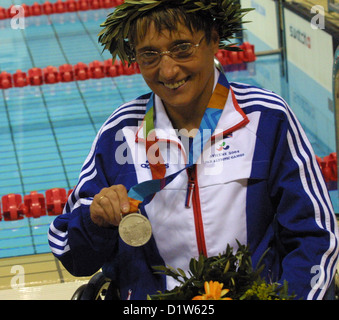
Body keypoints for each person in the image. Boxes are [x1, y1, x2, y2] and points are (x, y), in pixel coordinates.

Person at [48, 0, 339, 300]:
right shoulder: (120, 133)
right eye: (149, 54)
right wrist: (95, 221)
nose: (169, 70)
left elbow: (315, 235)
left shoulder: (266, 119)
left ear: (213, 40)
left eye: (182, 48)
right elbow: (69, 251)